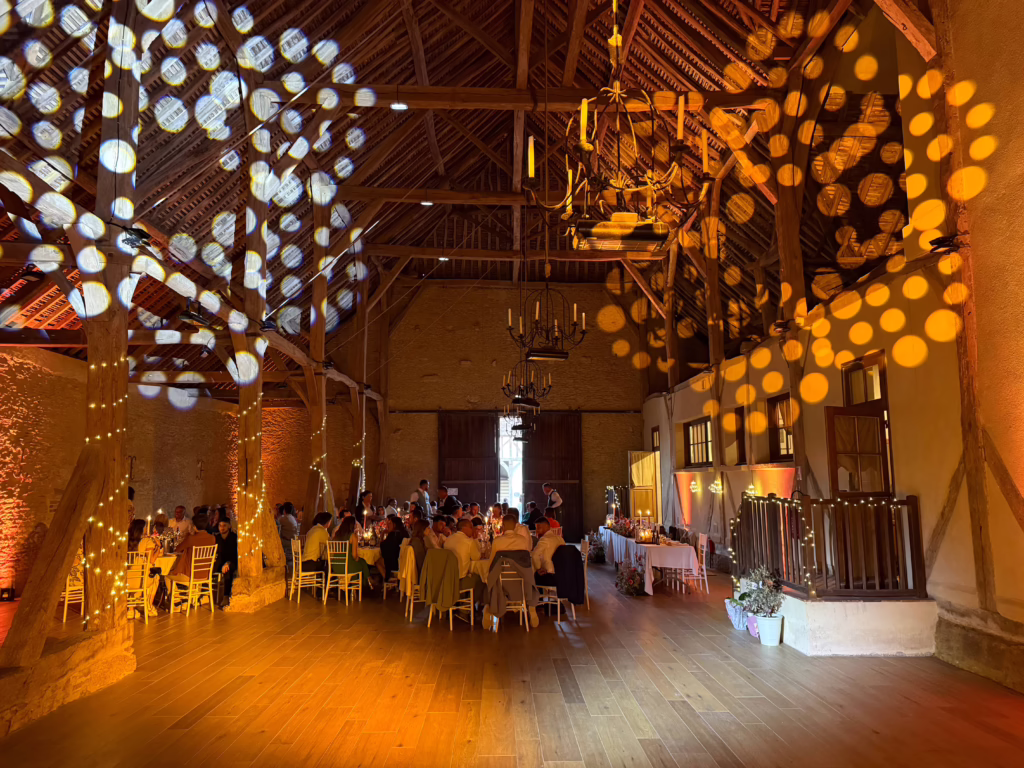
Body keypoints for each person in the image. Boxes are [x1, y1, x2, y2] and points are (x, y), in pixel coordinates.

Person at [165, 511, 216, 603]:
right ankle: (193, 599)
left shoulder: (191, 538)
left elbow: (178, 548)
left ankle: (176, 600)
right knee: (195, 570)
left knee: (167, 576)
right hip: (205, 574)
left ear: (194, 526)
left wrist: (189, 535)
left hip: (190, 576)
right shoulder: (212, 538)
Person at [444, 518, 484, 603]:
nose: (472, 530)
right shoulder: (469, 541)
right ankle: (468, 607)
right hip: (461, 580)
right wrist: (475, 539)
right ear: (465, 528)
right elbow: (477, 557)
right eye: (471, 527)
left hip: (447, 578)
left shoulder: (448, 539)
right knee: (481, 578)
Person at [127, 519, 161, 615]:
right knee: (156, 577)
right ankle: (149, 606)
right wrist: (158, 547)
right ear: (143, 529)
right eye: (146, 527)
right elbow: (152, 560)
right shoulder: (146, 541)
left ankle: (131, 609)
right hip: (140, 581)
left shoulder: (126, 539)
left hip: (125, 580)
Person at [333, 516, 372, 588]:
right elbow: (354, 555)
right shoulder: (353, 536)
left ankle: (359, 585)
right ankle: (366, 582)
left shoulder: (336, 535)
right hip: (347, 566)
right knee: (362, 562)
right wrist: (357, 559)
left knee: (360, 562)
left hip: (335, 565)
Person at [532, 517, 565, 587]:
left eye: (538, 527)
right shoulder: (560, 539)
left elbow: (534, 555)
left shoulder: (544, 540)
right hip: (562, 575)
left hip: (548, 575)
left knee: (530, 575)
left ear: (546, 526)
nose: (536, 530)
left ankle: (539, 596)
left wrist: (538, 569)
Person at [214, 517, 238, 605]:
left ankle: (226, 596)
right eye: (220, 525)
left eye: (224, 525)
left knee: (228, 571)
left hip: (231, 561)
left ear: (229, 526)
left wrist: (228, 563)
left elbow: (234, 554)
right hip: (220, 562)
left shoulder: (234, 537)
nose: (222, 528)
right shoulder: (216, 537)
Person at [376, 514, 408, 581]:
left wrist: (382, 535)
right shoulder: (405, 532)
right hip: (404, 561)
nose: (388, 526)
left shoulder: (393, 535)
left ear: (394, 525)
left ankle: (389, 580)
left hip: (395, 562)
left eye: (390, 524)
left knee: (377, 561)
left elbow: (383, 546)